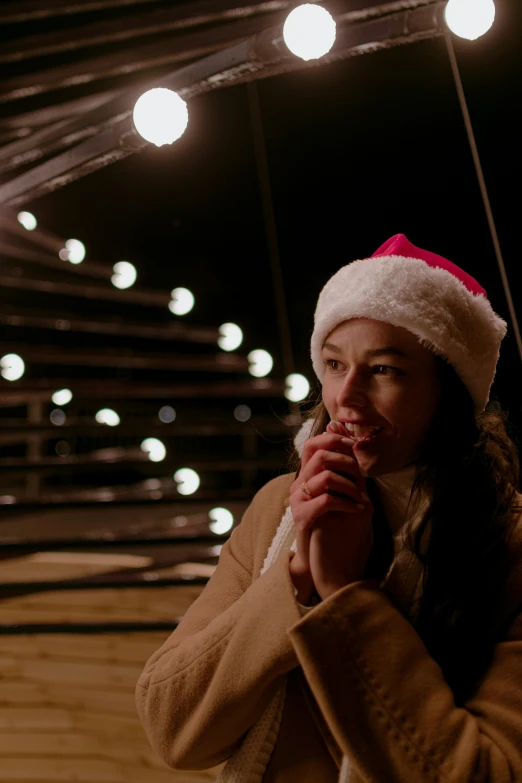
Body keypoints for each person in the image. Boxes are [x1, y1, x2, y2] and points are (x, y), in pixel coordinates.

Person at [135, 234, 522, 783]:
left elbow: (483, 773)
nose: (347, 396)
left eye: (385, 370)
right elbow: (173, 728)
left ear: (449, 392)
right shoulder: (277, 509)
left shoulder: (509, 545)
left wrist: (343, 591)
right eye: (335, 364)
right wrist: (295, 573)